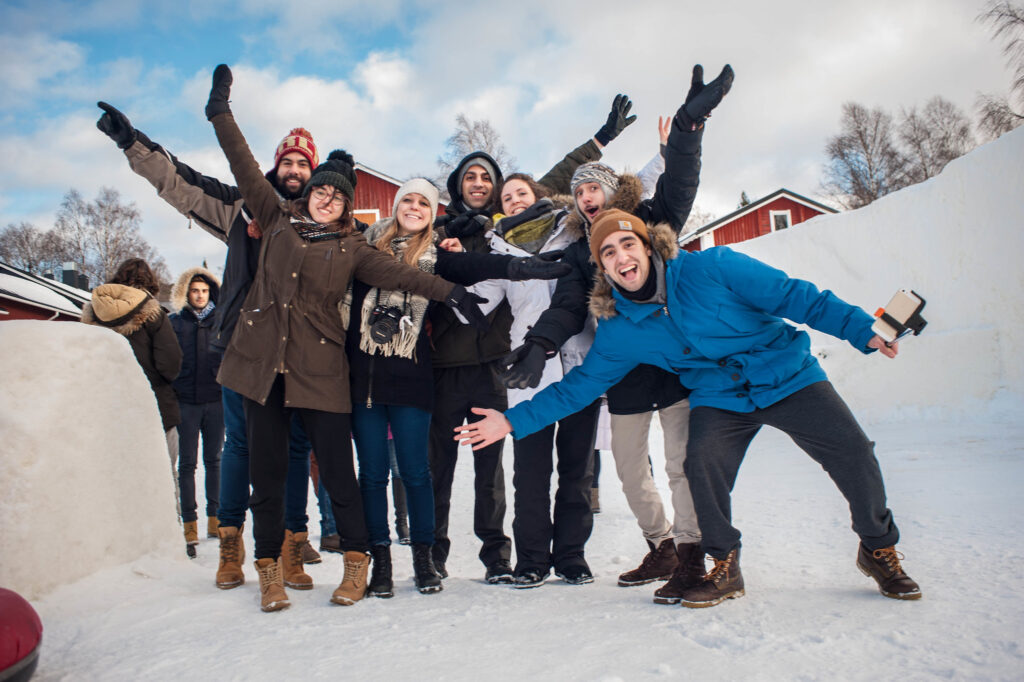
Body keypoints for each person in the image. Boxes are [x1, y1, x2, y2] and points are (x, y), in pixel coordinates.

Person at [456, 208, 923, 608]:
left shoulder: (714, 267)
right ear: (602, 267)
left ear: (648, 245)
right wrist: (511, 420)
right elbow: (578, 388)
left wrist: (860, 328)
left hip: (786, 375)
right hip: (719, 395)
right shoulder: (620, 327)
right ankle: (724, 564)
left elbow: (796, 297)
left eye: (627, 244)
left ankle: (878, 547)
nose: (622, 257)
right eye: (609, 253)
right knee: (700, 463)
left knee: (853, 452)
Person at [205, 64, 490, 612]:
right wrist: (221, 112)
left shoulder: (354, 248)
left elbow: (400, 274)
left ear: (345, 206)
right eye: (321, 193)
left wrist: (448, 293)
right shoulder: (275, 218)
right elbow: (241, 163)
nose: (327, 201)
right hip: (262, 367)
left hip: (318, 373)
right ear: (308, 194)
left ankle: (357, 562)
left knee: (340, 472)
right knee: (265, 473)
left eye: (338, 198)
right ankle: (268, 569)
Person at [497, 64, 732, 598]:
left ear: (611, 193)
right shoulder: (580, 250)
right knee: (629, 469)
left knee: (679, 464)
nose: (584, 197)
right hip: (624, 366)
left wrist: (687, 131)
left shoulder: (648, 219)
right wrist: (539, 346)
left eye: (593, 188)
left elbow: (680, 182)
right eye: (577, 192)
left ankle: (693, 553)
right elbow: (564, 307)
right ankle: (662, 545)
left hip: (673, 362)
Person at [96, 102, 324, 589]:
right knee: (238, 447)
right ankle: (230, 546)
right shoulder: (243, 209)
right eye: (288, 161)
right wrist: (132, 143)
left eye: (305, 163)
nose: (295, 170)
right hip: (242, 349)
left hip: (298, 356)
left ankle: (290, 544)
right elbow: (182, 184)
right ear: (274, 166)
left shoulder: (323, 221)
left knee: (293, 448)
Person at [427, 95, 637, 583]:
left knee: (577, 468)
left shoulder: (574, 235)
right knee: (530, 471)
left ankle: (571, 556)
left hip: (579, 363)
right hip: (526, 367)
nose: (514, 201)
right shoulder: (499, 248)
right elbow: (479, 293)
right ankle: (532, 560)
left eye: (521, 194)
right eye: (507, 199)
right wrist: (451, 259)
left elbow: (603, 188)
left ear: (539, 195)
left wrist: (606, 141)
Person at [347, 178, 570, 597]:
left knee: (490, 470)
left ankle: (496, 554)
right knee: (435, 469)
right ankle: (434, 554)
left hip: (489, 368)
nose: (479, 184)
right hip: (440, 369)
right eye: (470, 177)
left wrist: (518, 266)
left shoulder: (487, 239)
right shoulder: (428, 240)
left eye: (487, 178)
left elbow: (479, 267)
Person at [81, 258, 183, 518]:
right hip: (155, 406)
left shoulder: (94, 313)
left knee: (112, 471)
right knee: (163, 471)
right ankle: (170, 531)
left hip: (106, 406)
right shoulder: (154, 314)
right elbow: (170, 363)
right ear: (149, 282)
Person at [169, 267, 224, 558]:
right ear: (186, 293)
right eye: (194, 291)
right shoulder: (175, 322)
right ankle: (190, 523)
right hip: (186, 401)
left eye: (204, 291)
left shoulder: (221, 320)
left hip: (216, 400)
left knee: (214, 460)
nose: (200, 296)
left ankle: (215, 519)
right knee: (187, 464)